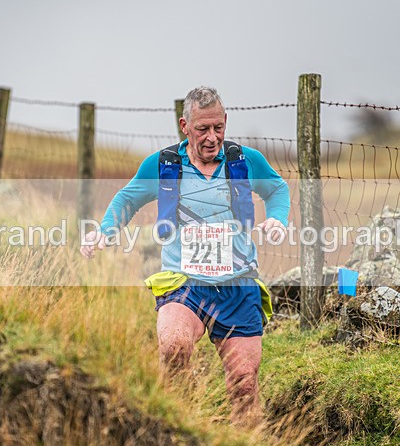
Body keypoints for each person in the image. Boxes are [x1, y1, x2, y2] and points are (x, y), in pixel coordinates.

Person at [81, 86, 290, 426]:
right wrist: (106, 231)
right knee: (174, 348)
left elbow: (277, 188)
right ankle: (179, 424)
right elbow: (127, 199)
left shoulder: (245, 161)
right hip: (185, 282)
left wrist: (278, 218)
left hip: (238, 285)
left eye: (218, 128)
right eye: (202, 129)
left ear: (225, 122)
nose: (212, 138)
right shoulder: (165, 165)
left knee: (244, 383)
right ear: (185, 126)